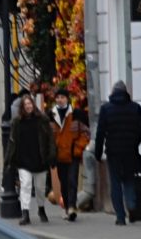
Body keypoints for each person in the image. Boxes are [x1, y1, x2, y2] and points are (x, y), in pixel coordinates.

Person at [95, 80, 141, 226]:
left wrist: (98, 152)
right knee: (129, 180)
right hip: (131, 151)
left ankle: (120, 216)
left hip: (113, 152)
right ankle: (131, 206)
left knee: (115, 183)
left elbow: (100, 133)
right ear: (126, 92)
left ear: (113, 92)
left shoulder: (106, 109)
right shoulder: (135, 108)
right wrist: (135, 142)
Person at [9, 94, 56, 225]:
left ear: (33, 105)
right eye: (25, 105)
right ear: (22, 107)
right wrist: (10, 160)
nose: (28, 106)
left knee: (40, 188)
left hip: (39, 159)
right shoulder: (17, 122)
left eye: (30, 104)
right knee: (25, 186)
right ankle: (25, 213)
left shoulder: (42, 120)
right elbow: (12, 142)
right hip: (23, 160)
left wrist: (52, 156)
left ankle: (41, 208)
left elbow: (50, 140)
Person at [53, 93, 89, 222]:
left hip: (73, 154)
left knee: (72, 180)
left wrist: (78, 148)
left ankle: (72, 207)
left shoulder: (76, 114)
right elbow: (47, 135)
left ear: (67, 99)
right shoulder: (52, 116)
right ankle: (67, 207)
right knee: (64, 182)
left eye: (62, 97)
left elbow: (85, 133)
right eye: (58, 97)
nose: (60, 99)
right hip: (59, 156)